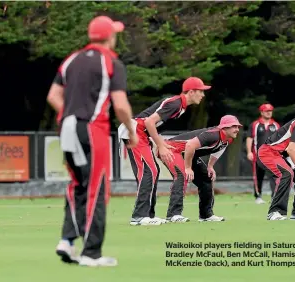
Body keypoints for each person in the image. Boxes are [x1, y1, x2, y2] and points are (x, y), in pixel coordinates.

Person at [47, 15, 138, 267]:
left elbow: (54, 95)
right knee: (97, 187)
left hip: (67, 127)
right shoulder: (111, 62)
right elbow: (120, 105)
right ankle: (92, 253)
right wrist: (131, 131)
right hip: (92, 129)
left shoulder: (71, 60)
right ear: (110, 36)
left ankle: (67, 240)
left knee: (78, 184)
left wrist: (70, 114)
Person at [118, 77, 211, 226]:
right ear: (191, 92)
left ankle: (148, 215)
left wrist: (156, 142)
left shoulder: (181, 107)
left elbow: (151, 123)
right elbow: (149, 121)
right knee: (149, 171)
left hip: (140, 133)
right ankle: (139, 217)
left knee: (153, 171)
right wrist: (160, 145)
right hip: (134, 131)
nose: (203, 95)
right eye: (201, 91)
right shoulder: (176, 103)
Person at [158, 115, 242, 222]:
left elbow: (219, 149)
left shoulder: (227, 139)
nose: (237, 129)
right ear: (224, 127)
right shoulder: (212, 135)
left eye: (238, 126)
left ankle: (206, 215)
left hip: (188, 154)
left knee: (206, 178)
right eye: (234, 126)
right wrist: (188, 168)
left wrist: (210, 166)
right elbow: (189, 145)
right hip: (171, 149)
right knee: (181, 176)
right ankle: (173, 215)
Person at [246, 103, 280, 204]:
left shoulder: (276, 125)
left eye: (270, 111)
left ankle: (274, 196)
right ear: (261, 112)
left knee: (274, 176)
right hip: (258, 156)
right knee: (258, 176)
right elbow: (249, 138)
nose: (269, 113)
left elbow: (279, 140)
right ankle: (258, 196)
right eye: (266, 111)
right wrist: (249, 152)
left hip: (272, 157)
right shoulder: (255, 125)